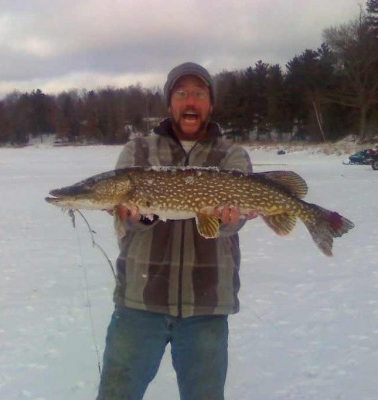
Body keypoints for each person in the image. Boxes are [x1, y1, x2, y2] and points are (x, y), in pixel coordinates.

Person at [96, 62, 254, 400]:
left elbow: (235, 222)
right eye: (181, 94)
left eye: (199, 94)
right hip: (140, 302)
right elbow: (128, 221)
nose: (190, 101)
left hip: (207, 305)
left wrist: (231, 220)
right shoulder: (138, 151)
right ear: (170, 104)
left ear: (210, 104)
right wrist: (135, 217)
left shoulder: (231, 155)